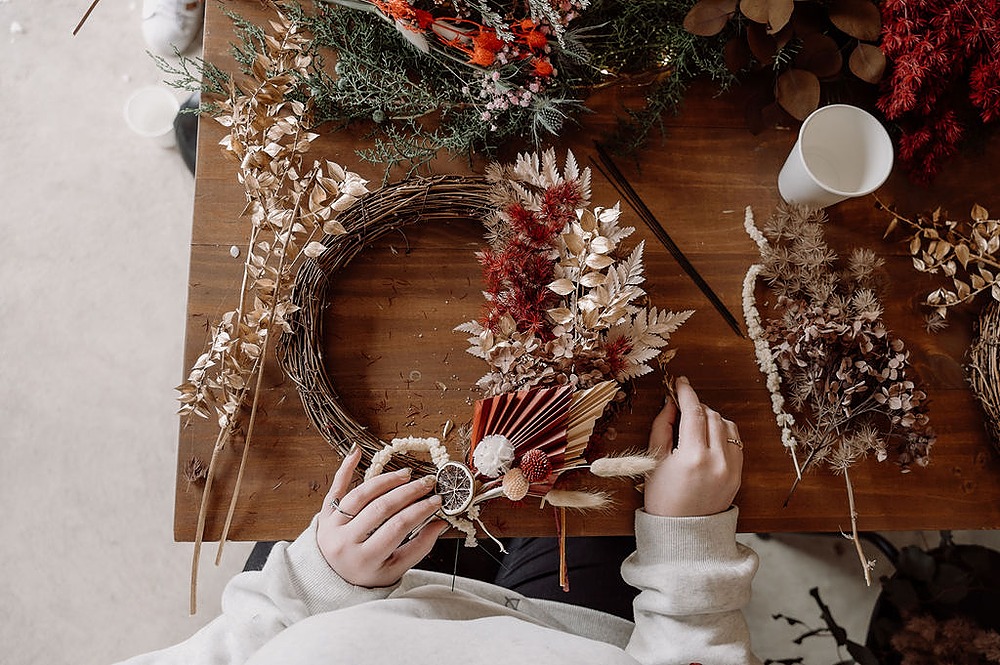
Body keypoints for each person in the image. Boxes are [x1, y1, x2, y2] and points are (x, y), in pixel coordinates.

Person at [116, 376, 760, 665]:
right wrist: (687, 546)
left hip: (328, 597)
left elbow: (229, 650)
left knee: (303, 477)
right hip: (573, 634)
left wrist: (320, 580)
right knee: (581, 495)